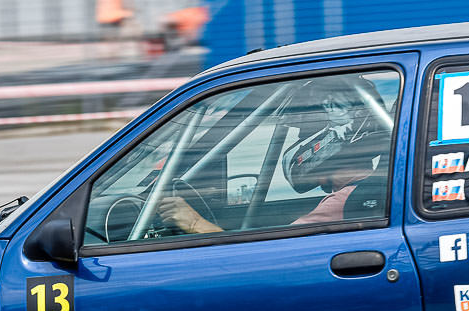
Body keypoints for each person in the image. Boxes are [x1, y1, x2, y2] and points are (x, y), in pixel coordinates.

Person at [158, 78, 386, 234]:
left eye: (303, 134)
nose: (300, 142)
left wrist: (194, 223)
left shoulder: (345, 203)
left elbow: (263, 258)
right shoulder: (372, 188)